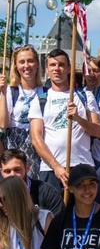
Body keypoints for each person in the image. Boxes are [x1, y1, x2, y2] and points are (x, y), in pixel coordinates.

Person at [29, 49, 100, 192]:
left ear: (69, 69)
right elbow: (36, 139)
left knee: (82, 212)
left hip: (82, 164)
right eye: (53, 65)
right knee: (54, 213)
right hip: (51, 169)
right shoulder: (40, 100)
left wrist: (78, 119)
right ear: (47, 69)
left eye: (61, 65)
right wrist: (56, 166)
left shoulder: (85, 96)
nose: (57, 69)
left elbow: (98, 131)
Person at [0, 44, 46, 179]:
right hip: (14, 146)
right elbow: (3, 124)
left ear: (37, 64)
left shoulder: (45, 92)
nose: (27, 66)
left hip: (37, 147)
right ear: (16, 66)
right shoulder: (11, 91)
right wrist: (2, 94)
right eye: (22, 62)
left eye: (30, 61)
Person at [0, 149, 63, 216]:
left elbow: (58, 222)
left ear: (27, 168)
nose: (12, 175)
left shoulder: (47, 192)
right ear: (1, 172)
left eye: (17, 170)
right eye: (7, 171)